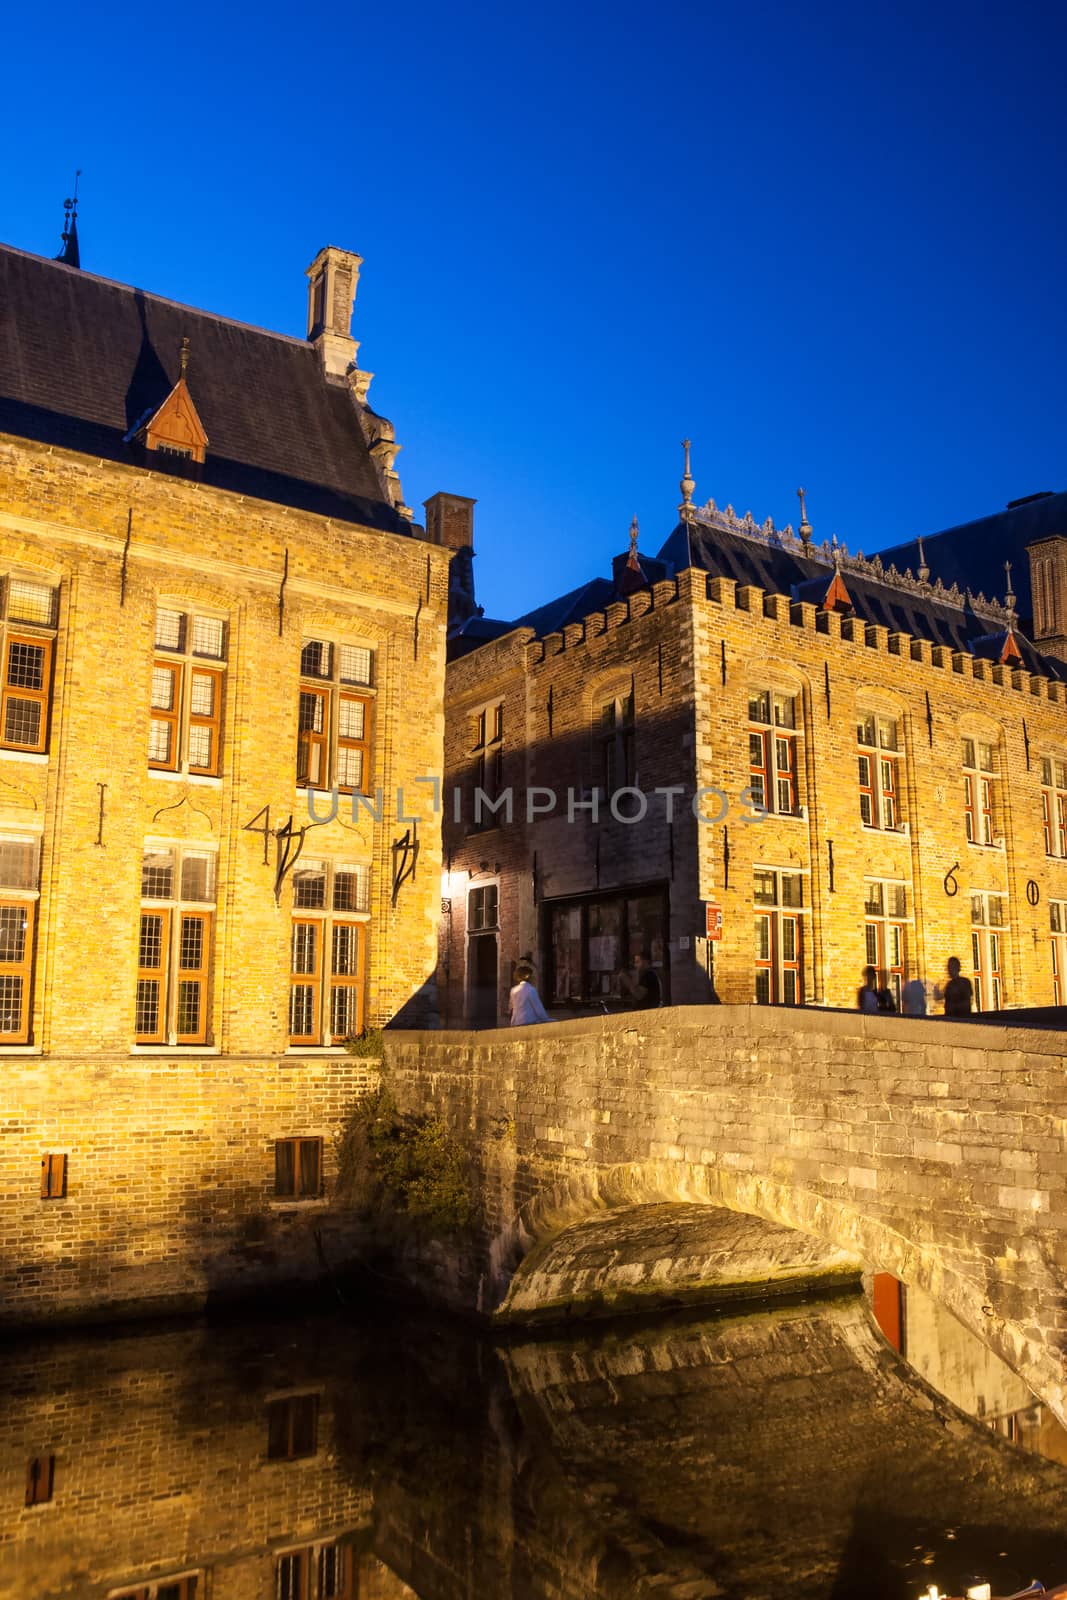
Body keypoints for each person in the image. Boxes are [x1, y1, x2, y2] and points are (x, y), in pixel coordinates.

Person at [508, 960, 550, 1026]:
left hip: (515, 1022)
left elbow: (511, 1007)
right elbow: (538, 1009)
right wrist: (547, 1019)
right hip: (529, 1022)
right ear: (529, 977)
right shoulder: (531, 990)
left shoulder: (513, 990)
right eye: (533, 976)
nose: (534, 978)